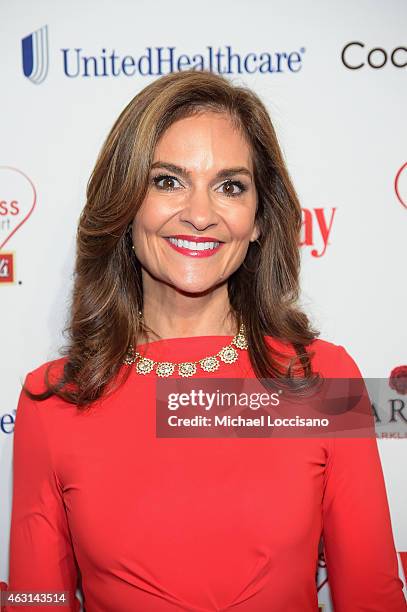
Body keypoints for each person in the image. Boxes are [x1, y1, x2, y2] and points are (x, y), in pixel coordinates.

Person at [5, 69, 406, 611]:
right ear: (125, 205)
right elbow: (36, 603)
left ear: (260, 219)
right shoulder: (53, 399)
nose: (199, 215)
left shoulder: (323, 379)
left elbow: (372, 599)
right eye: (167, 180)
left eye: (230, 186)